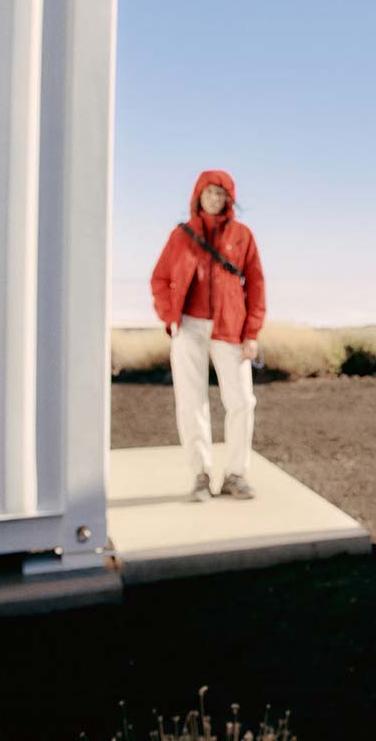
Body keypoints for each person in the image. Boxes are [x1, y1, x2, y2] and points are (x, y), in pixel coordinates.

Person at [150, 170, 266, 502]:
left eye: (221, 193)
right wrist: (170, 318)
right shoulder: (181, 235)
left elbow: (256, 285)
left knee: (242, 401)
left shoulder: (243, 236)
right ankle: (200, 475)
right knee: (191, 401)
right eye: (209, 192)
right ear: (198, 195)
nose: (215, 198)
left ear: (230, 199)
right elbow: (159, 279)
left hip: (231, 328)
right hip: (189, 326)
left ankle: (236, 475)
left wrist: (252, 333)